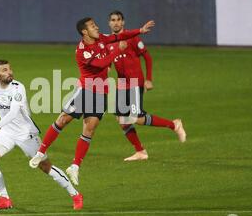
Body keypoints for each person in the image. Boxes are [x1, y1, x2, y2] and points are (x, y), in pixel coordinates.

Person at [29, 17, 155, 186]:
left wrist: (140, 30)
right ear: (84, 32)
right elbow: (101, 63)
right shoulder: (82, 51)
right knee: (63, 120)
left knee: (89, 130)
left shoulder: (101, 38)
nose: (97, 27)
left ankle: (75, 166)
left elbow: (117, 37)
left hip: (101, 93)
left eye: (95, 24)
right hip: (86, 90)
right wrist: (118, 50)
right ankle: (40, 152)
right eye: (92, 26)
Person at [0, 60, 83, 210]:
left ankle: (75, 194)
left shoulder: (18, 88)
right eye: (5, 70)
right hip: (6, 132)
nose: (9, 72)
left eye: (10, 69)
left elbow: (13, 113)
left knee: (45, 166)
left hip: (26, 134)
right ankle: (4, 198)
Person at [106, 11, 186, 161]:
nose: (116, 23)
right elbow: (108, 64)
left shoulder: (133, 37)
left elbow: (147, 57)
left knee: (137, 118)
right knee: (121, 119)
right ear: (109, 23)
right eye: (113, 20)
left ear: (123, 22)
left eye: (118, 20)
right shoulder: (109, 42)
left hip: (135, 81)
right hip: (122, 83)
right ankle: (140, 151)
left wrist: (148, 79)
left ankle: (174, 124)